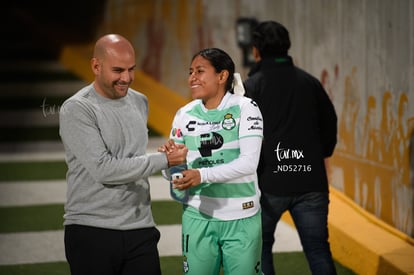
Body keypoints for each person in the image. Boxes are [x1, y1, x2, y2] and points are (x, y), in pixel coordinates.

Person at [59, 34, 188, 275]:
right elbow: (104, 169)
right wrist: (163, 160)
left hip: (140, 228)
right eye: (118, 70)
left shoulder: (140, 101)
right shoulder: (77, 108)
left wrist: (166, 158)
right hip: (91, 230)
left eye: (131, 69)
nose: (126, 78)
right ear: (96, 66)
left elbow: (133, 156)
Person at [243, 21, 338, 275]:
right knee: (318, 250)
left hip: (268, 184)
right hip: (311, 182)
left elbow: (241, 137)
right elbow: (330, 124)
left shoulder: (252, 87)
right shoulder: (310, 82)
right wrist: (320, 154)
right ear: (288, 46)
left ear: (256, 51)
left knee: (259, 249)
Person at [162, 48, 264, 275]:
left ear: (222, 76)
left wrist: (201, 175)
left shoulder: (246, 108)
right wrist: (171, 163)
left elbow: (248, 163)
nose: (192, 78)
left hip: (242, 217)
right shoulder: (184, 114)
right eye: (190, 72)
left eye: (200, 71)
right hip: (197, 215)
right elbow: (174, 175)